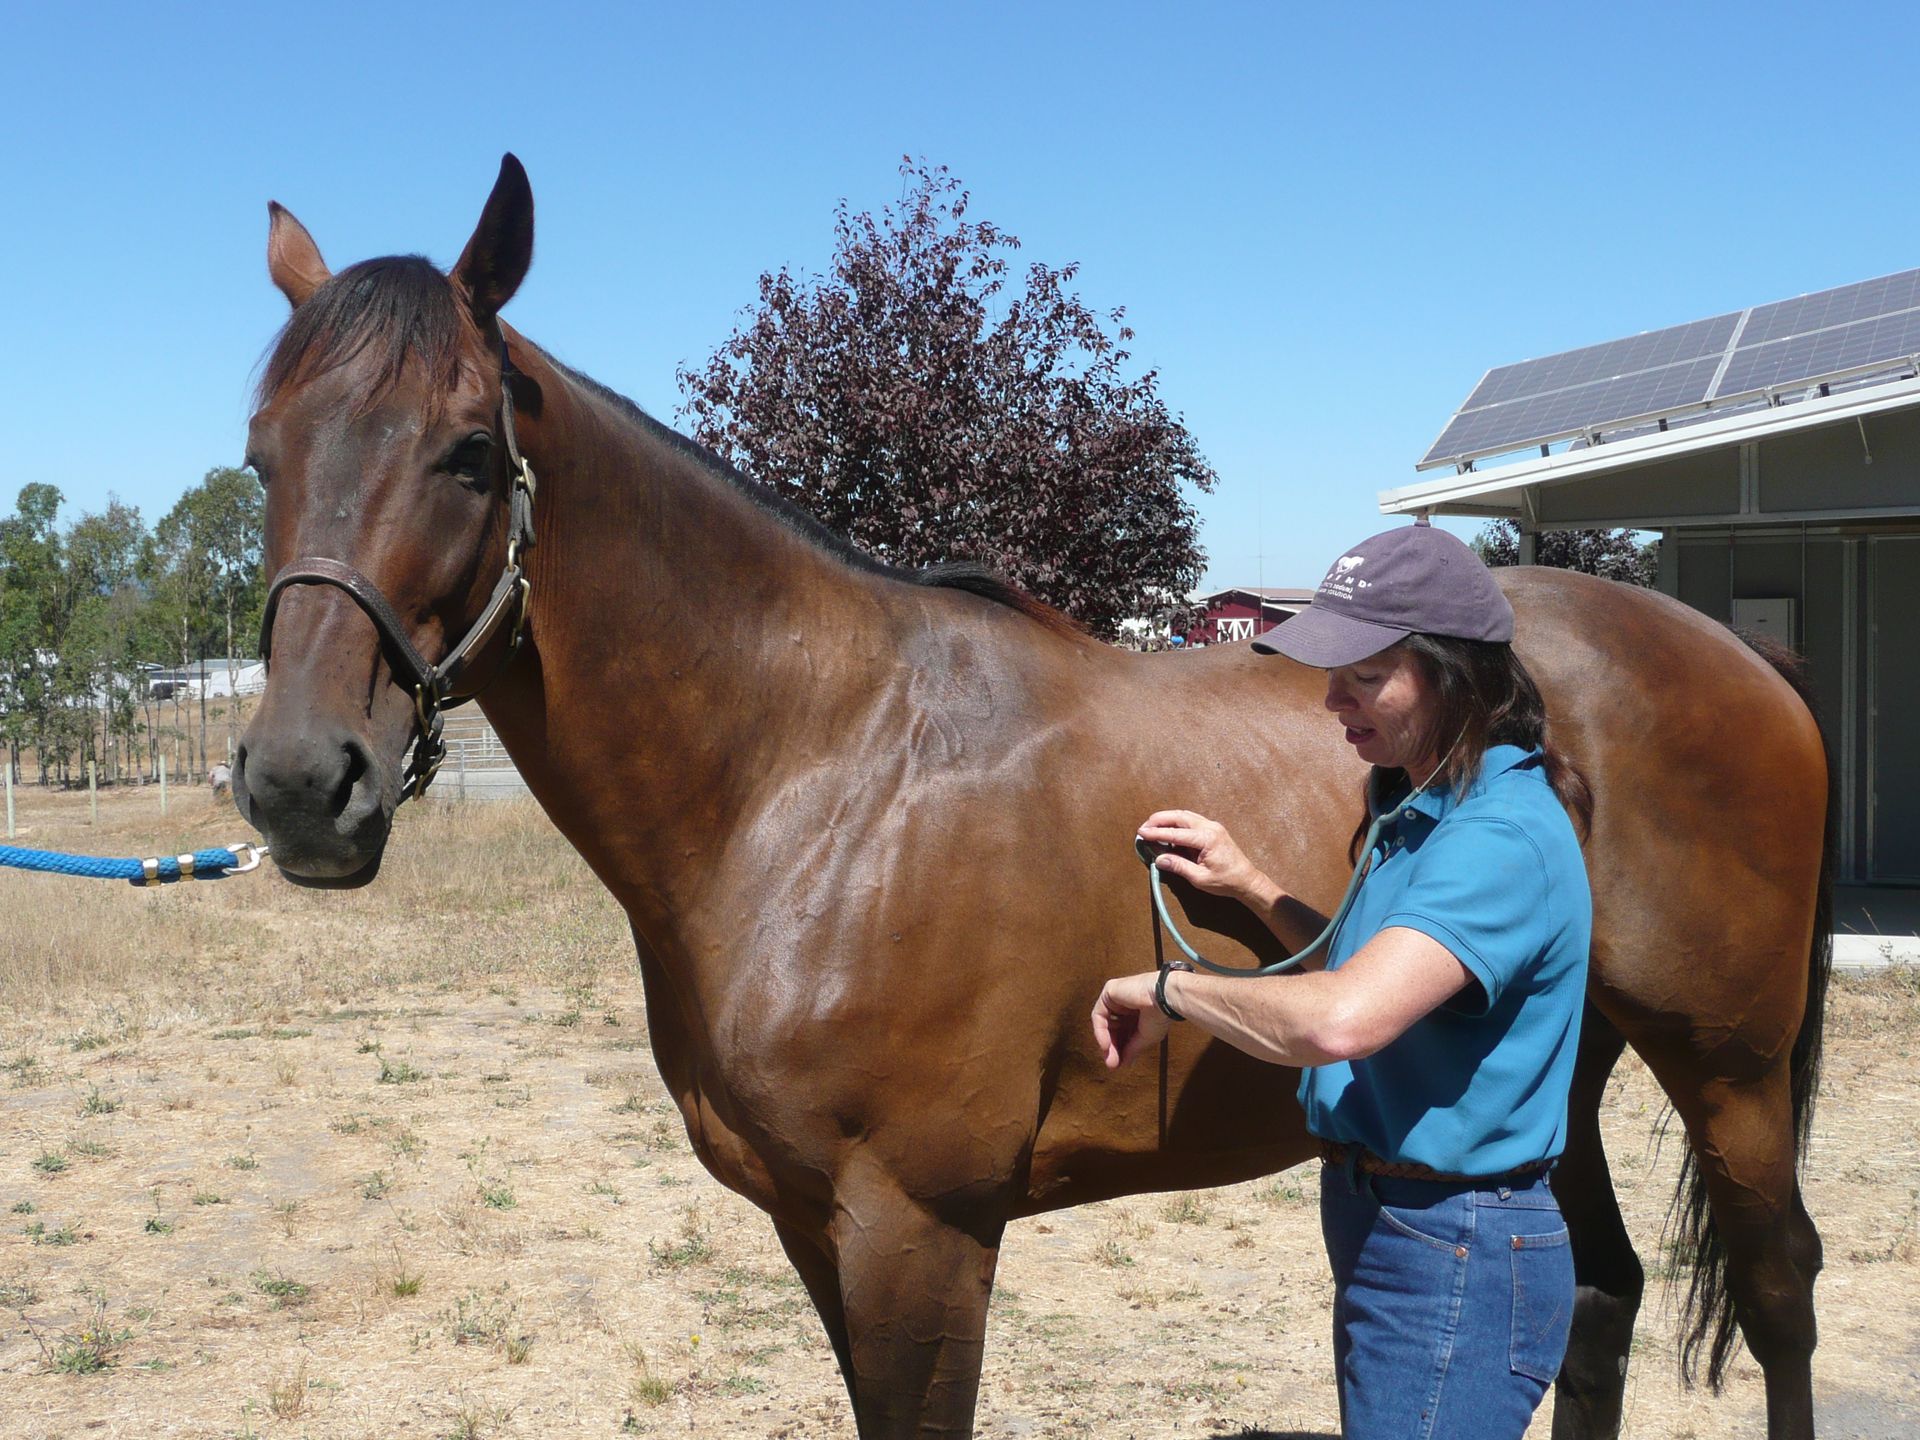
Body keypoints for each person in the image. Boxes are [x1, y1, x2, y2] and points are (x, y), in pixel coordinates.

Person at [1091, 520, 1593, 1440]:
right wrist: (1252, 886)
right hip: (1394, 1224)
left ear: (1453, 675)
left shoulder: (1499, 838)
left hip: (1456, 1242)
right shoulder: (1421, 804)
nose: (1331, 700)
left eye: (1365, 677)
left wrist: (1171, 991)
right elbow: (1377, 974)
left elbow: (1343, 1021)